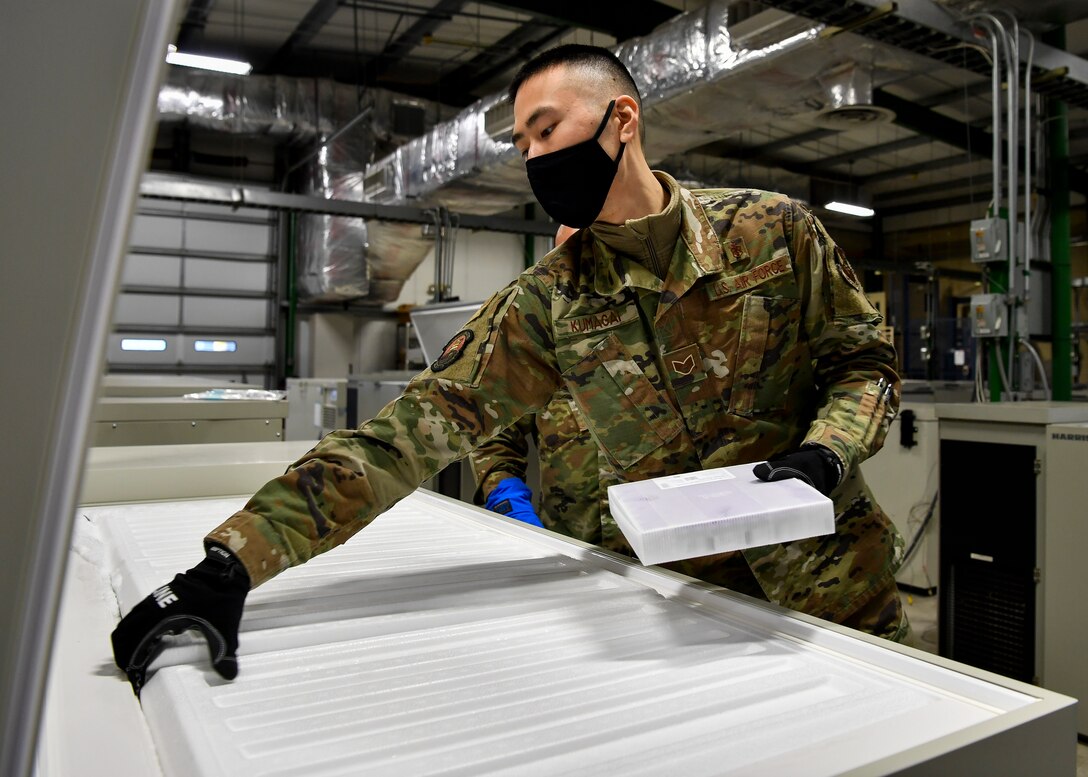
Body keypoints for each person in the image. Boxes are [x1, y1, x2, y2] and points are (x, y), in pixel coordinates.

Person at [111, 43, 906, 695]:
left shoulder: (772, 233)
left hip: (837, 588)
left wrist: (828, 450)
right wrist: (235, 560)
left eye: (544, 129)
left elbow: (864, 360)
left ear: (621, 119)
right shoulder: (549, 303)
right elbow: (404, 436)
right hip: (691, 619)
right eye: (520, 142)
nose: (530, 154)